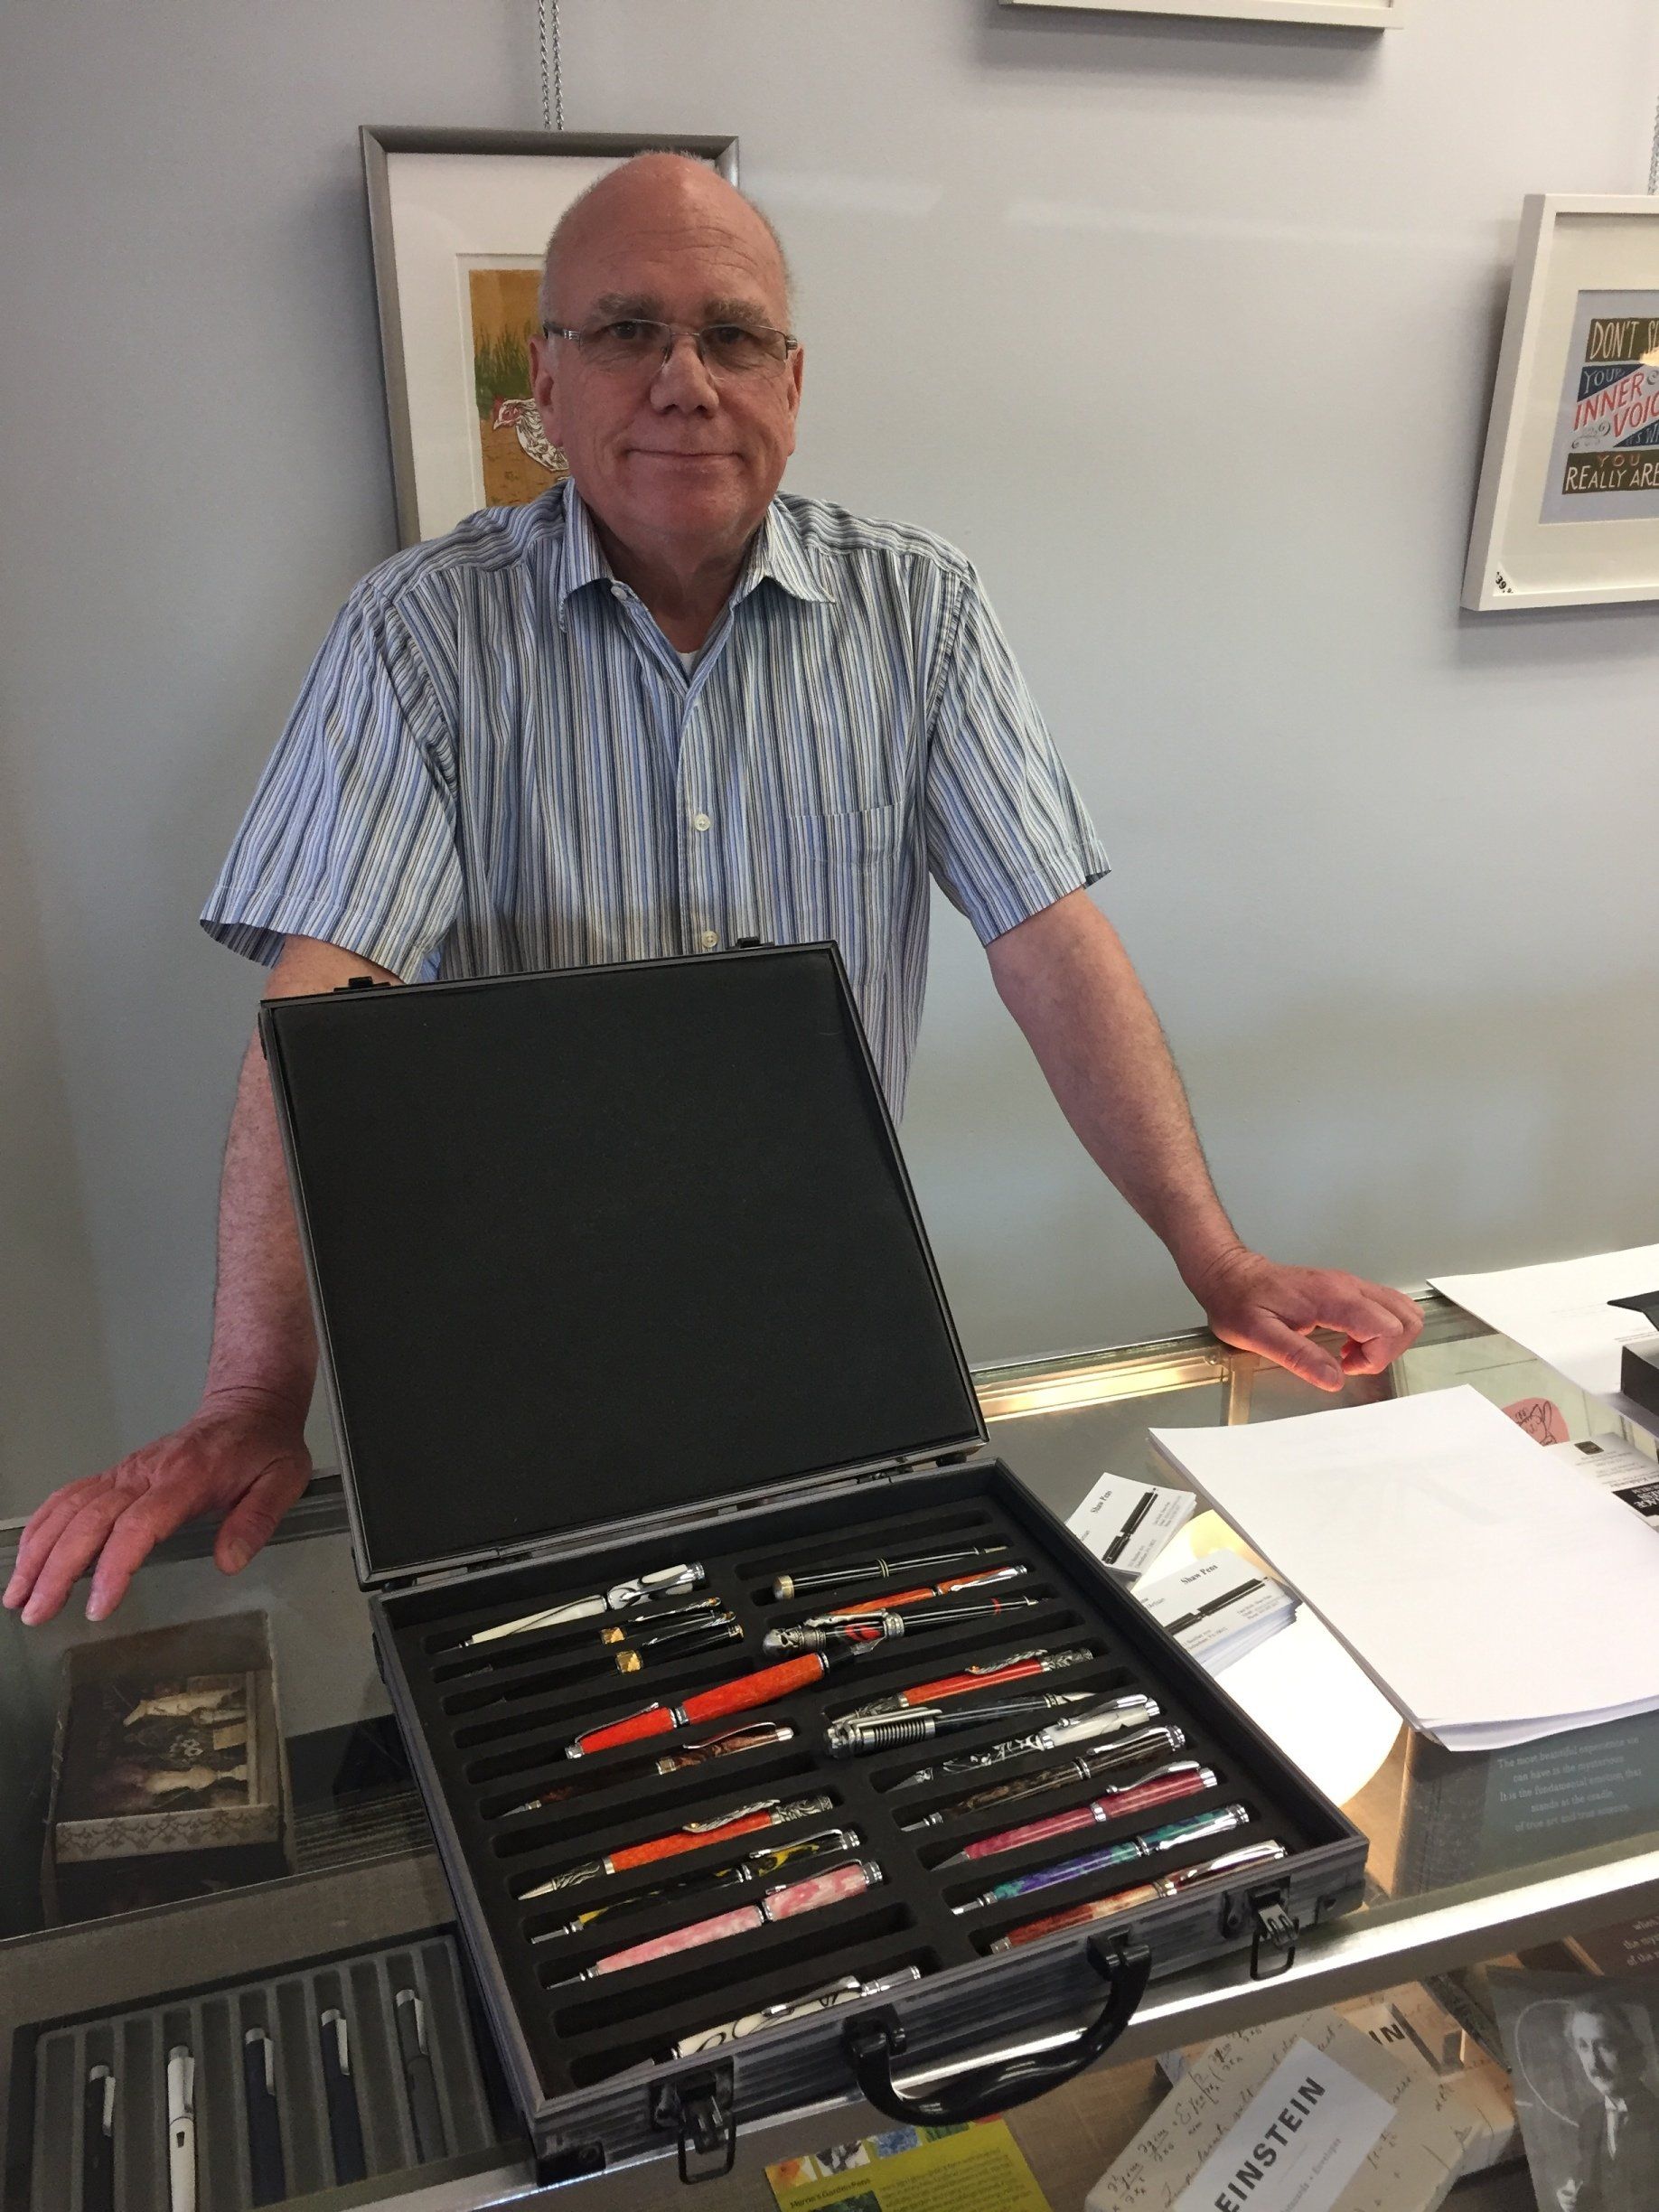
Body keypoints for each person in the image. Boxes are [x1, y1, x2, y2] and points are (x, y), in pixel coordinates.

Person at [5, 155, 1421, 1629]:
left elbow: (1050, 946)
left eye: (732, 335)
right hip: (513, 1350)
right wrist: (251, 1393)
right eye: (625, 331)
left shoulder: (918, 611)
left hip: (825, 1323)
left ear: (791, 384)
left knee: (848, 1718)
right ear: (543, 389)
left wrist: (1218, 1254)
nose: (684, 379)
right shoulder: (422, 633)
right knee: (555, 1755)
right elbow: (320, 1015)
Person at [1558, 1997, 1659, 2212]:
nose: (1594, 2064)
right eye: (1583, 2047)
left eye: (1604, 2045)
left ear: (1631, 2049)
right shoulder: (1590, 2119)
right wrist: (1572, 2198)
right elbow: (1592, 2186)